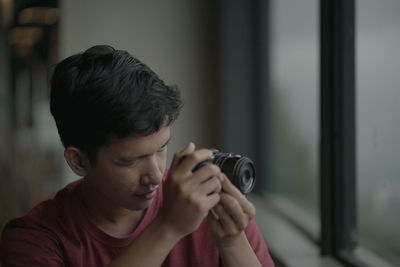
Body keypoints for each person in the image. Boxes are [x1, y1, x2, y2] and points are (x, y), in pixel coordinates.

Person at [0, 45, 275, 267]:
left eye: (161, 148)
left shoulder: (205, 206)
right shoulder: (35, 239)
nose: (156, 174)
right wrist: (168, 227)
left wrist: (231, 242)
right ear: (79, 161)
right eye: (131, 160)